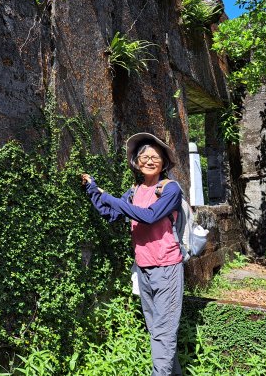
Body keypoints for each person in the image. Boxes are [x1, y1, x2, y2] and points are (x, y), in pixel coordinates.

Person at [82, 132, 183, 376]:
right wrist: (94, 191)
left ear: (164, 163)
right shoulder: (134, 191)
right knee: (157, 330)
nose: (149, 161)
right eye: (144, 157)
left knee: (163, 332)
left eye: (155, 157)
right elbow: (112, 214)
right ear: (136, 163)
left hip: (168, 267)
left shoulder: (170, 189)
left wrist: (109, 197)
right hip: (144, 267)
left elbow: (148, 216)